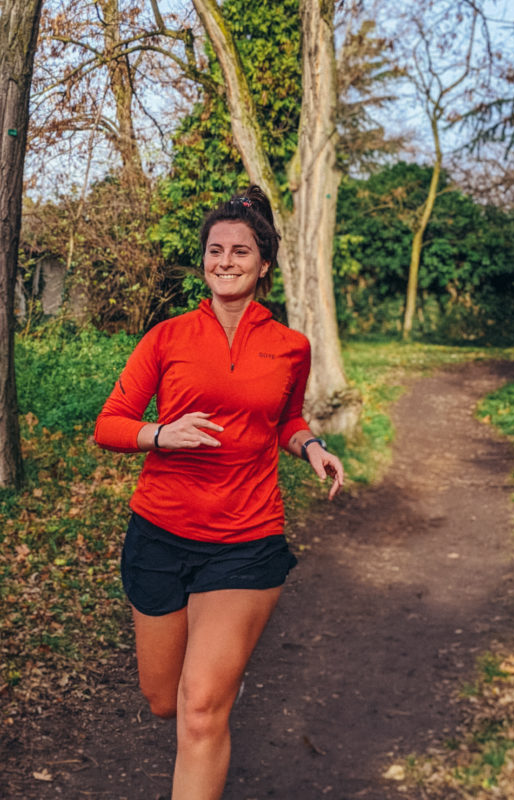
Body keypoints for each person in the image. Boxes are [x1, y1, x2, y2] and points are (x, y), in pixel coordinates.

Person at [94, 185, 345, 800]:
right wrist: (160, 433)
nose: (225, 260)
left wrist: (311, 446)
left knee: (202, 708)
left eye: (240, 250)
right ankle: (207, 673)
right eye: (214, 250)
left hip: (246, 539)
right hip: (159, 533)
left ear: (264, 264)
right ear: (204, 260)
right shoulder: (167, 337)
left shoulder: (291, 346)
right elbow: (110, 423)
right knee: (164, 701)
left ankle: (213, 678)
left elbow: (284, 419)